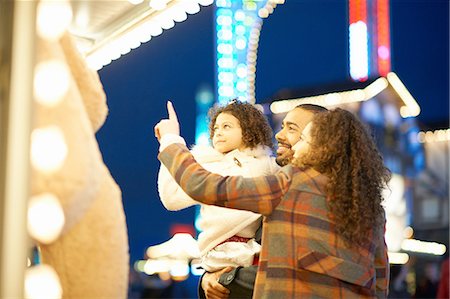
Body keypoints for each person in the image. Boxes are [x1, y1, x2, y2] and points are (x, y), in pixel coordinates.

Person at [155, 103, 391, 298]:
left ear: (322, 144)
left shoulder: (290, 183)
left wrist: (171, 141)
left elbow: (204, 186)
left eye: (298, 133)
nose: (279, 134)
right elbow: (380, 281)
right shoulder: (371, 206)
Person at [157, 100, 279, 298]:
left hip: (250, 256)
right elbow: (171, 198)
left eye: (227, 126)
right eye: (216, 127)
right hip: (216, 256)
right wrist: (170, 142)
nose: (218, 132)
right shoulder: (206, 166)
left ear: (249, 130)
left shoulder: (267, 166)